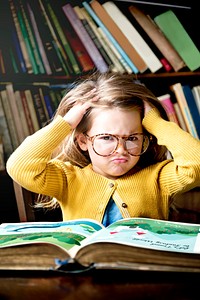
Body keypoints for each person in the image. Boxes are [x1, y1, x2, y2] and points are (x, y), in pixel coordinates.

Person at [6, 72, 200, 226]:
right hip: (84, 272)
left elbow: (196, 164)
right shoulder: (68, 179)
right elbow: (20, 166)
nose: (121, 149)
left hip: (143, 272)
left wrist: (156, 124)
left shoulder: (158, 178)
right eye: (106, 137)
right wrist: (65, 124)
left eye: (132, 138)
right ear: (83, 141)